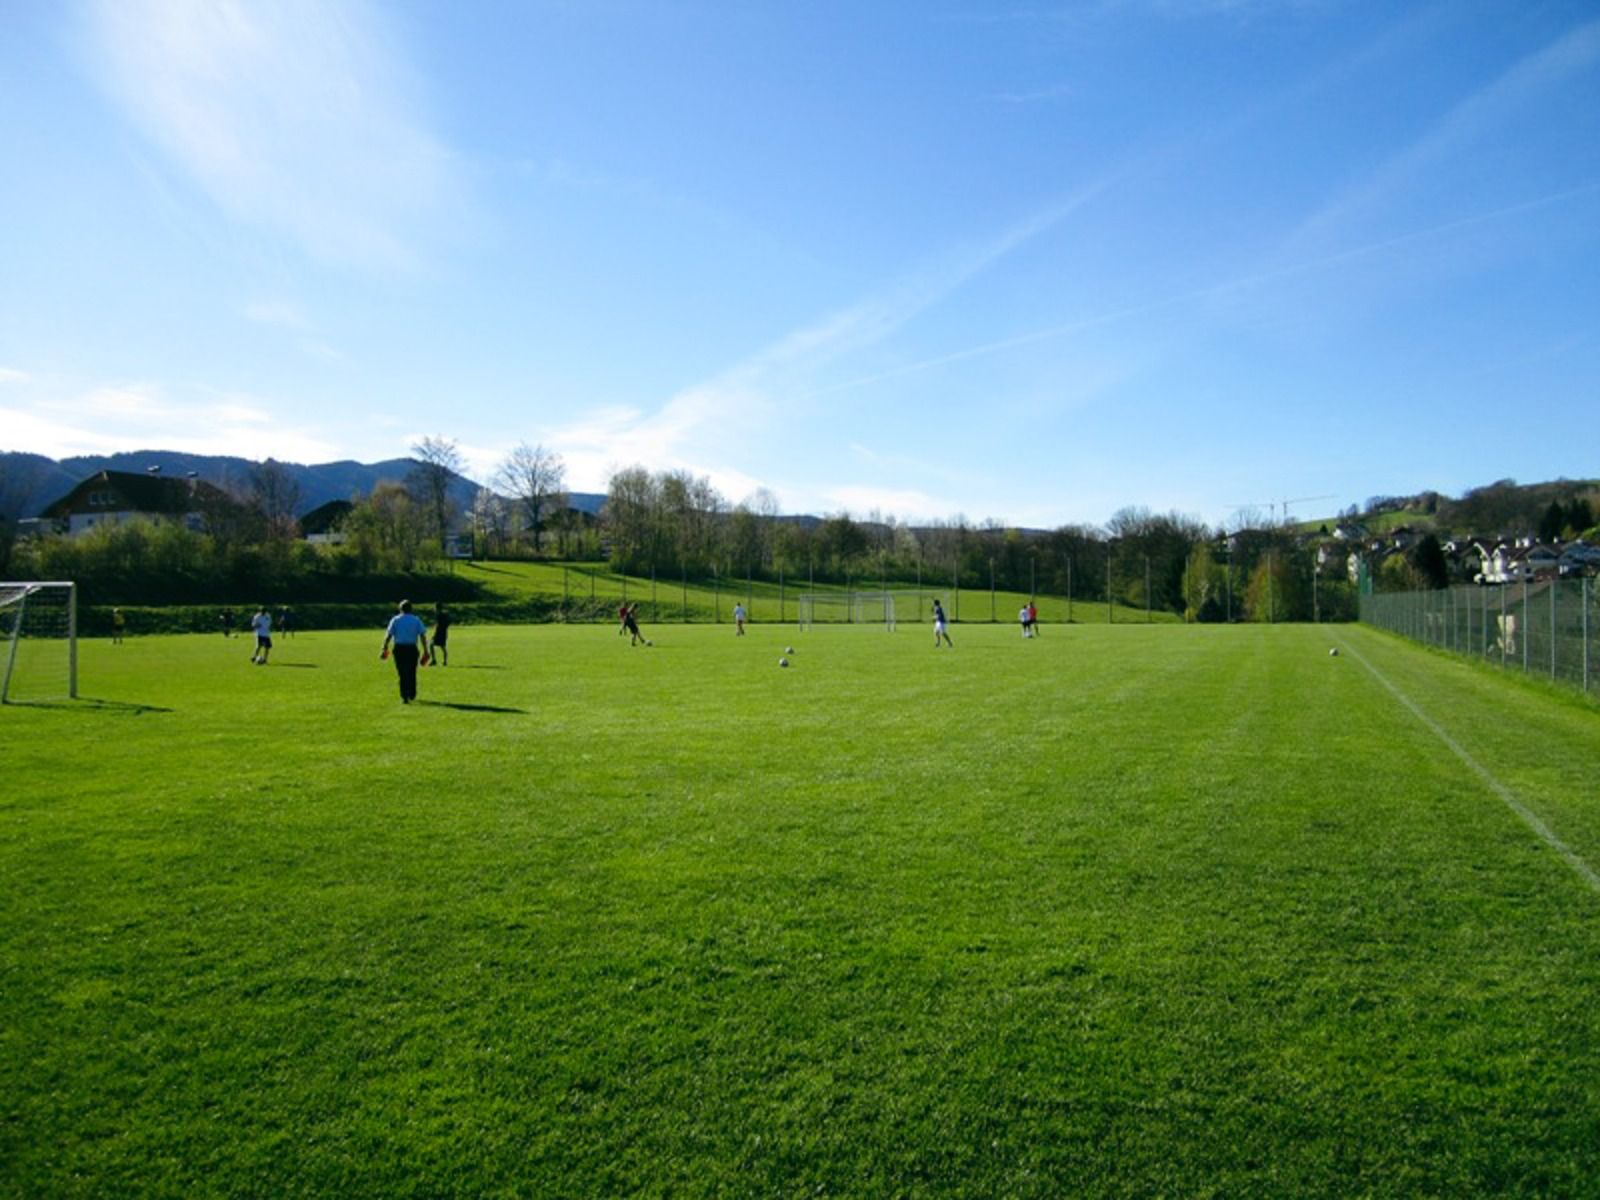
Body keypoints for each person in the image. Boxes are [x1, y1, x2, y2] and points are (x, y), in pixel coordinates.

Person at [380, 599, 431, 703]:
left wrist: (384, 648)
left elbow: (388, 635)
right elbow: (422, 636)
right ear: (411, 609)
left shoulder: (395, 620)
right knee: (412, 671)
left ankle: (404, 696)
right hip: (412, 648)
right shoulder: (416, 620)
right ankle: (412, 693)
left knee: (402, 672)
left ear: (400, 609)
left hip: (399, 649)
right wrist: (426, 651)